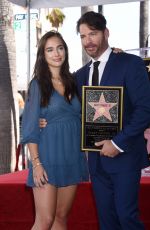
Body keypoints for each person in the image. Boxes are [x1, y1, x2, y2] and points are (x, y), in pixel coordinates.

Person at [74, 11, 150, 230]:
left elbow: (145, 110)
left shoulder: (130, 63)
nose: (88, 41)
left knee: (127, 217)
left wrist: (117, 143)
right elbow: (75, 112)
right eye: (83, 36)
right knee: (107, 222)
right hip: (96, 163)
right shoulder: (80, 75)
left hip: (125, 157)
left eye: (93, 34)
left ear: (106, 33)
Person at [21, 30, 89, 230]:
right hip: (47, 158)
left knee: (60, 217)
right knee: (45, 220)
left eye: (60, 48)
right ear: (43, 55)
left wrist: (115, 54)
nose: (56, 53)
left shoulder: (73, 81)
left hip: (72, 157)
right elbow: (31, 128)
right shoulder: (38, 85)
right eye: (50, 50)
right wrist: (36, 164)